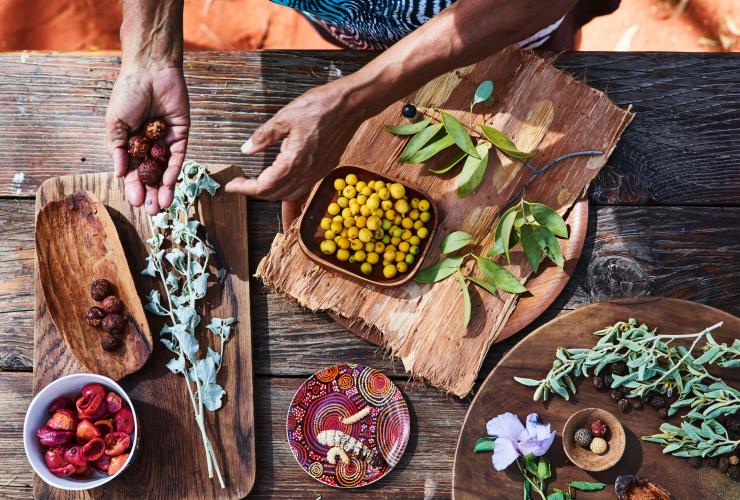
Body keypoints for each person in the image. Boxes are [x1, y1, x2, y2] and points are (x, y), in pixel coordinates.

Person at [105, 0, 619, 219]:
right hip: (352, 15)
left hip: (490, 24)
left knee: (528, 81)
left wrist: (353, 100)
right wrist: (149, 48)